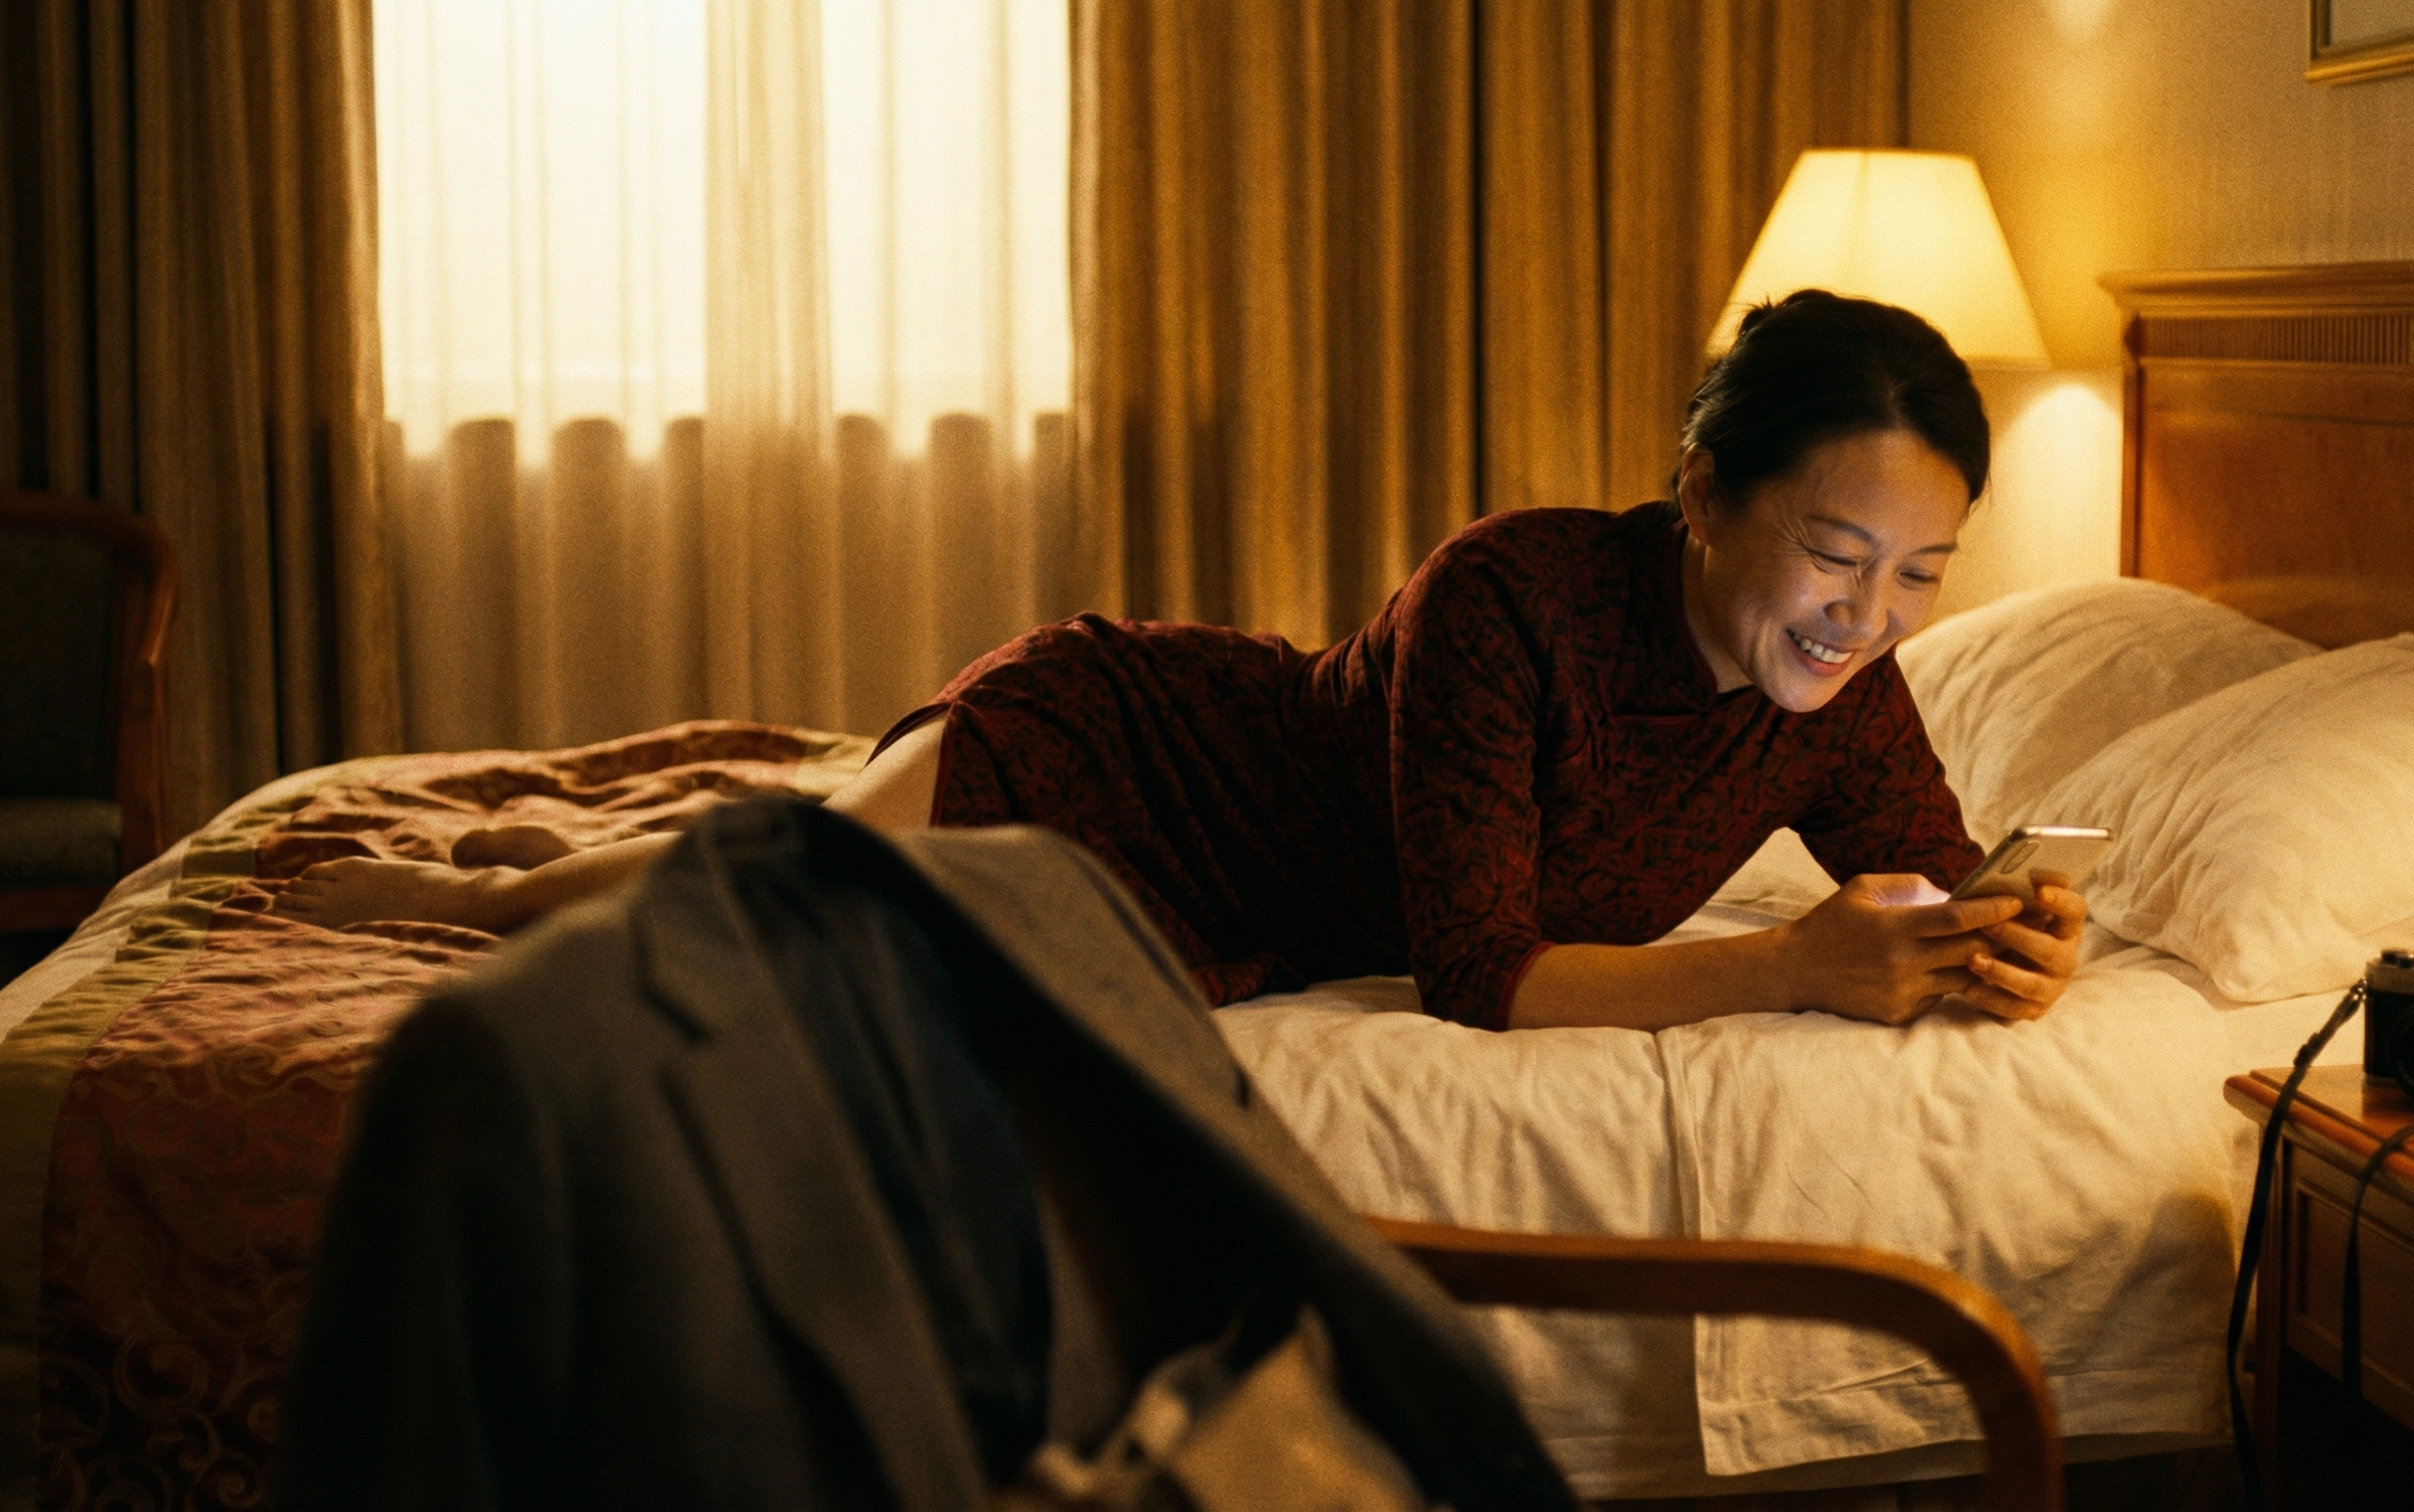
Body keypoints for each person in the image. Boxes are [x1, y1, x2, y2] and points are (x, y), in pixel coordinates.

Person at [277, 289, 2085, 1032]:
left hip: (1257, 909)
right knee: (771, 899)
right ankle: (463, 897)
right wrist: (1785, 968)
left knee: (799, 878)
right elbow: (1476, 969)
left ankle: (583, 847)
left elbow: (1932, 863)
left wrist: (2011, 927)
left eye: (1925, 574)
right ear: (1705, 495)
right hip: (1142, 751)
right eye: (1836, 555)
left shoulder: (1844, 697)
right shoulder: (1514, 597)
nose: (1870, 615)